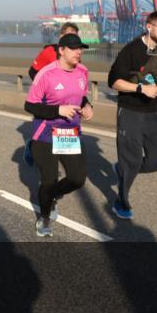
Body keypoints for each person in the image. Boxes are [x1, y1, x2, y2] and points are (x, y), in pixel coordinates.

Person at [107, 10, 157, 220]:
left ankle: (123, 169)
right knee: (131, 160)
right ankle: (121, 200)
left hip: (152, 112)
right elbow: (113, 82)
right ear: (149, 27)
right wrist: (140, 89)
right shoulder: (131, 50)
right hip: (130, 111)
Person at [24, 33, 94, 236]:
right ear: (61, 50)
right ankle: (44, 218)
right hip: (45, 133)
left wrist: (87, 106)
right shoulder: (46, 74)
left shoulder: (82, 71)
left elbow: (81, 97)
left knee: (77, 178)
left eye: (80, 48)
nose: (78, 52)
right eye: (73, 48)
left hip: (70, 132)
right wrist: (58, 111)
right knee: (49, 180)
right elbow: (29, 105)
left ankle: (49, 196)